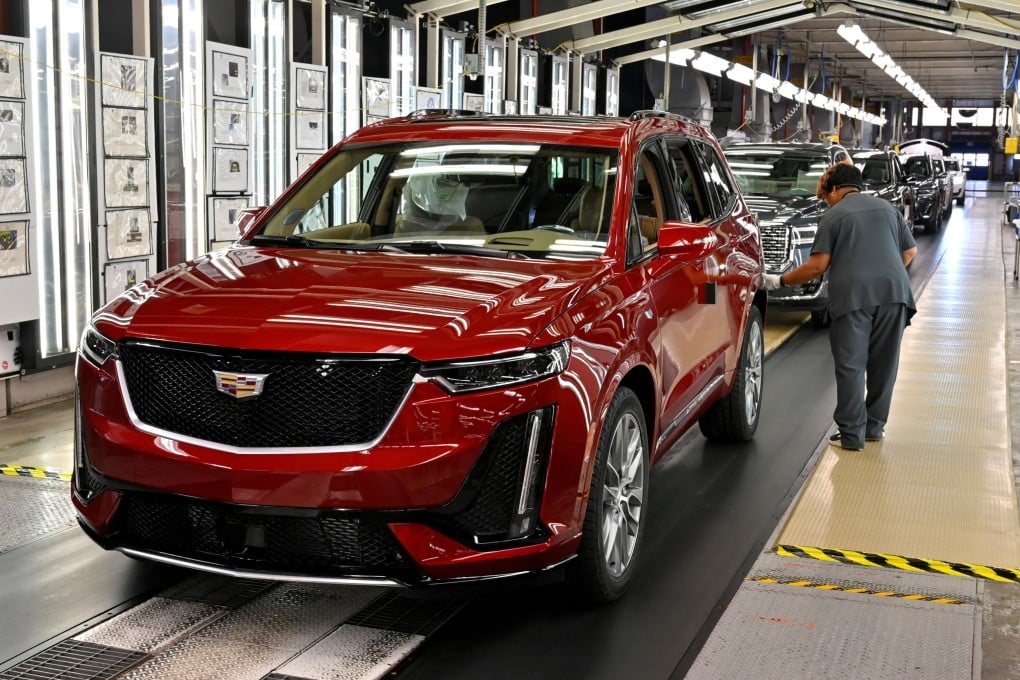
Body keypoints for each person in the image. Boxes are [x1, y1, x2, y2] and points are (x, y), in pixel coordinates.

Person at [763, 163, 918, 451]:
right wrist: (885, 274)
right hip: (895, 294)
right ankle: (874, 428)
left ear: (834, 190)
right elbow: (910, 252)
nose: (825, 201)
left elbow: (816, 267)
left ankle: (851, 436)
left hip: (853, 298)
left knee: (851, 366)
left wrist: (778, 280)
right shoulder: (888, 209)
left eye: (825, 195)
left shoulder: (834, 215)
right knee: (885, 365)